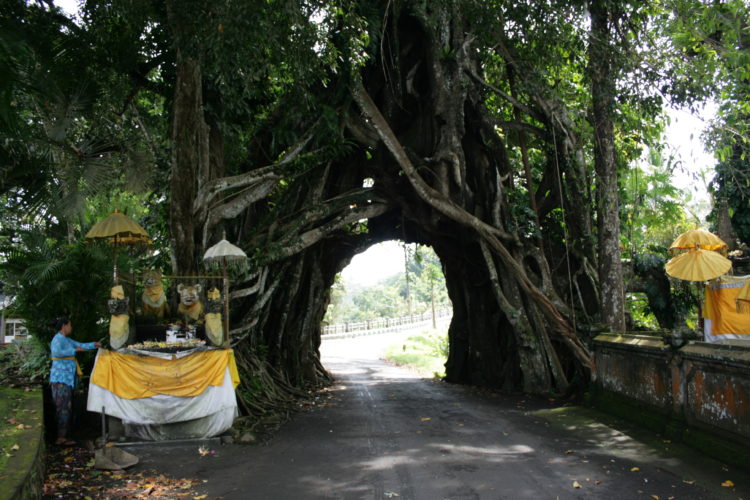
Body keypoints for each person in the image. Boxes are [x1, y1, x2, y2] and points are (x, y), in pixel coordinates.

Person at [49, 316, 101, 446]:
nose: (71, 328)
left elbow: (79, 345)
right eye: (70, 325)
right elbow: (56, 352)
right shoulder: (58, 339)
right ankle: (61, 437)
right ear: (64, 326)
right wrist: (74, 350)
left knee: (66, 407)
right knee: (62, 408)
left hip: (66, 379)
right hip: (60, 379)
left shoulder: (66, 339)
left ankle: (64, 436)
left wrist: (93, 345)